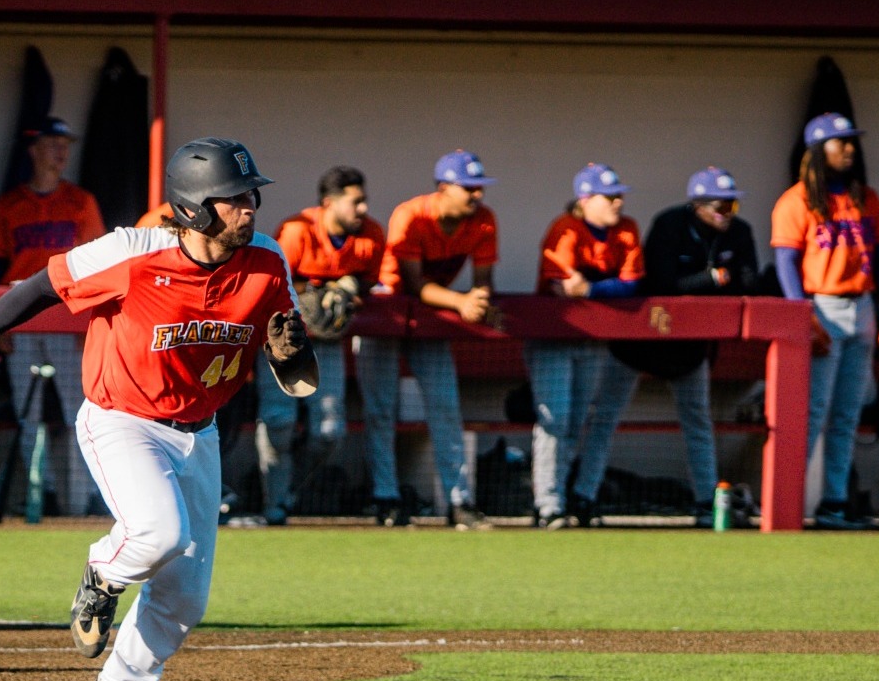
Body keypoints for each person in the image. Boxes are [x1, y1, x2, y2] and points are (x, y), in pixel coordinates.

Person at [0, 138, 312, 681]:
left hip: (200, 432)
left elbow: (288, 361)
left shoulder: (266, 261)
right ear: (193, 208)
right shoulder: (132, 251)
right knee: (158, 533)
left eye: (250, 195)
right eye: (234, 198)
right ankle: (102, 574)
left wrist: (292, 355)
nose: (249, 207)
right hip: (122, 420)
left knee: (187, 596)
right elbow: (42, 286)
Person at [581, 167, 760, 527]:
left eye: (732, 206)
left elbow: (748, 283)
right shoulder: (670, 225)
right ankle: (583, 496)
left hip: (689, 349)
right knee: (604, 418)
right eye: (718, 207)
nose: (726, 214)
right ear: (698, 206)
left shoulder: (740, 233)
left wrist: (699, 286)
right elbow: (662, 281)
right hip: (640, 341)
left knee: (698, 422)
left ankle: (706, 503)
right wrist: (711, 280)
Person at [772, 113, 879, 529]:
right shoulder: (796, 200)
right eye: (839, 142)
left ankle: (833, 504)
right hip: (822, 306)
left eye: (851, 142)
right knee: (813, 412)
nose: (849, 149)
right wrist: (801, 315)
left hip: (862, 305)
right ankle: (788, 504)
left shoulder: (865, 197)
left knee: (848, 413)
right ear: (818, 150)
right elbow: (786, 262)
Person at [359, 151, 499, 530]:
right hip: (387, 314)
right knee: (381, 410)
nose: (476, 196)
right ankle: (385, 497)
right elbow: (415, 284)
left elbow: (484, 283)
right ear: (444, 187)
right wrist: (461, 302)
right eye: (468, 188)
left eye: (479, 188)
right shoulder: (412, 214)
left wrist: (479, 300)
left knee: (445, 408)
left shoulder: (483, 220)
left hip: (431, 321)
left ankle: (459, 502)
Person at [0, 116, 106, 515]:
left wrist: (90, 324)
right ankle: (41, 493)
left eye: (65, 144)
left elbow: (100, 264)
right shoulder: (9, 204)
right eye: (52, 143)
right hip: (22, 312)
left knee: (78, 414)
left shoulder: (80, 201)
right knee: (28, 414)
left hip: (68, 313)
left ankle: (82, 499)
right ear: (33, 149)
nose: (61, 150)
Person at [258, 166, 385, 524]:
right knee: (278, 422)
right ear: (329, 202)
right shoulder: (297, 230)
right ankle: (274, 504)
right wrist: (312, 293)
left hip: (327, 342)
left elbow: (368, 281)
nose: (362, 209)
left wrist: (350, 286)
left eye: (364, 201)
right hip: (282, 338)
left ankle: (295, 486)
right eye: (354, 202)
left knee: (330, 431)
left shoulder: (371, 234)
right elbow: (271, 283)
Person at [527, 164, 644, 528]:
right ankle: (547, 505)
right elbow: (563, 286)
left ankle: (563, 500)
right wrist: (603, 286)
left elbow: (633, 285)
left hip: (592, 341)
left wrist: (594, 288)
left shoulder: (626, 229)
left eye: (619, 195)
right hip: (553, 339)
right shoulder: (565, 229)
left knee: (577, 422)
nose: (618, 202)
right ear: (585, 200)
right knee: (556, 420)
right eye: (609, 196)